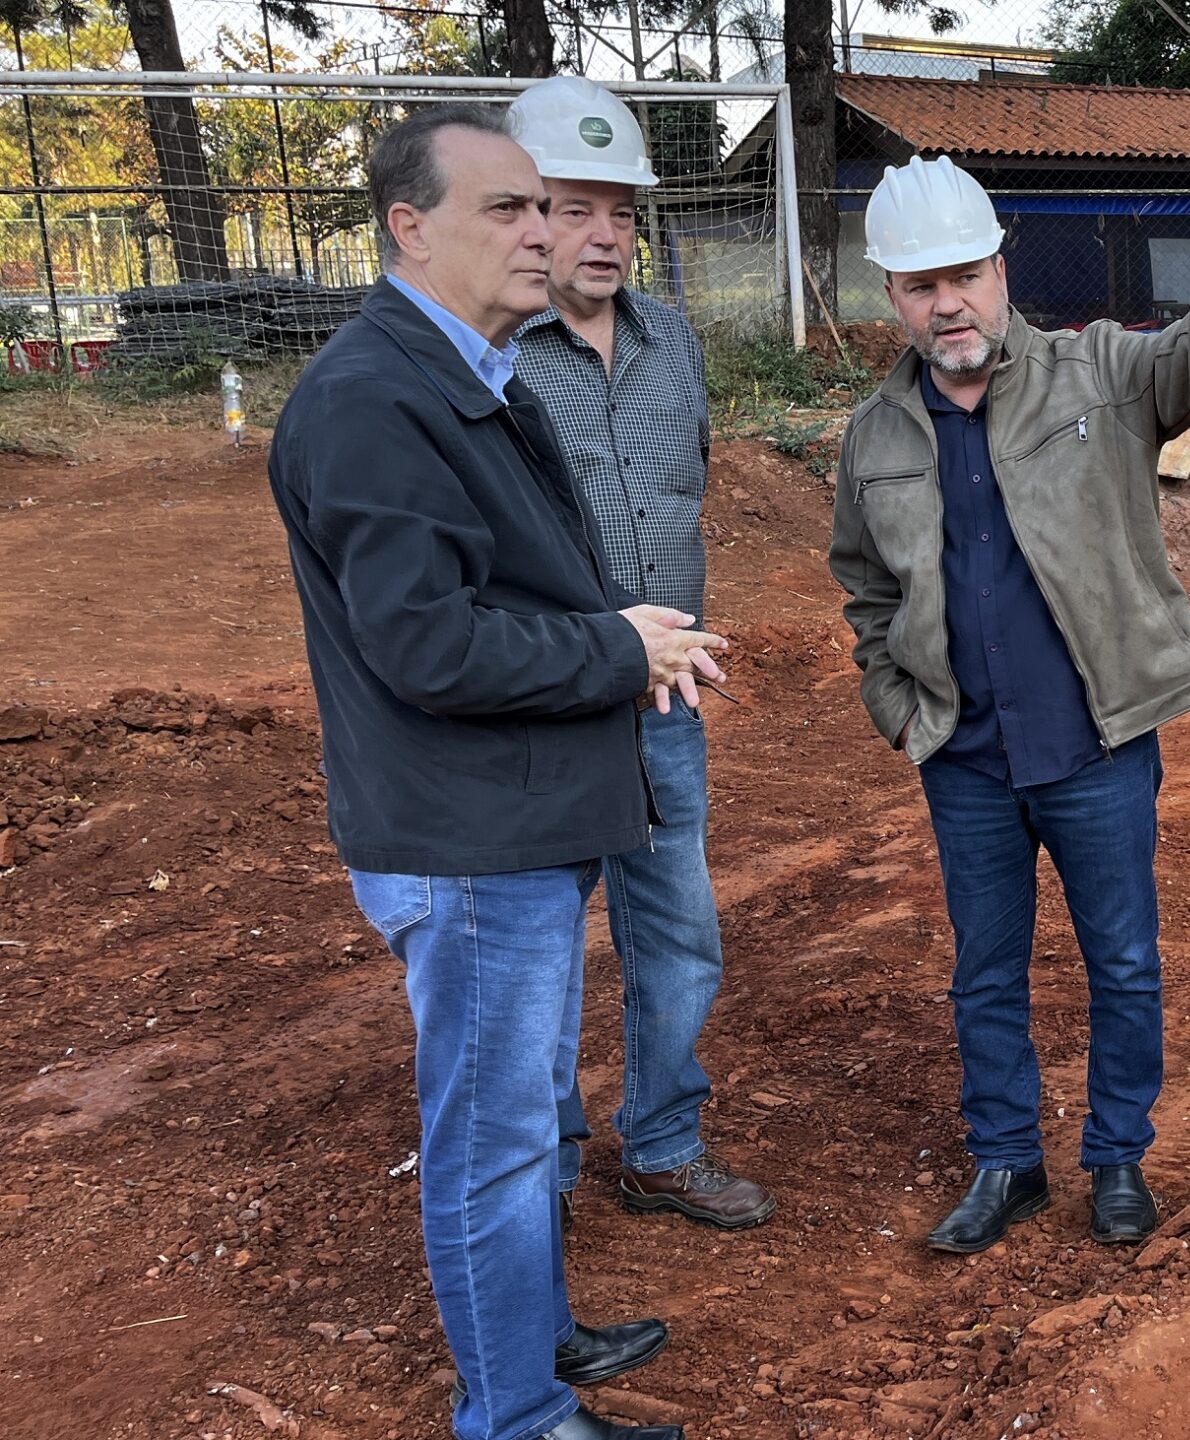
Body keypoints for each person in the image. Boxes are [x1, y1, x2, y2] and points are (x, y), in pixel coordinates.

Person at [267, 104, 727, 1440]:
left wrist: (613, 639)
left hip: (509, 817)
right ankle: (517, 1414)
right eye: (509, 209)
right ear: (409, 228)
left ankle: (529, 1336)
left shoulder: (459, 372)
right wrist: (616, 647)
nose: (543, 233)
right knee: (497, 1141)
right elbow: (429, 643)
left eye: (547, 207)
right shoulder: (374, 401)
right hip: (467, 839)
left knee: (521, 1121)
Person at [827, 156, 1190, 1254]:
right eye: (920, 285)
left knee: (1122, 960)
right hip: (965, 759)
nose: (948, 304)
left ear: (1001, 269)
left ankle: (1117, 1156)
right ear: (891, 295)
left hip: (1096, 747)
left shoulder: (1101, 372)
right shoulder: (874, 436)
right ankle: (1007, 1162)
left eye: (965, 276)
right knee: (983, 972)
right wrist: (898, 707)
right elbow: (866, 590)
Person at [507, 76, 775, 1233]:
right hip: (544, 705)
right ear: (525, 213)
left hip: (665, 703)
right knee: (538, 950)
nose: (604, 234)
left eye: (620, 211)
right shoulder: (490, 357)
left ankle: (662, 1145)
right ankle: (545, 1169)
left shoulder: (674, 345)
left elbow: (683, 491)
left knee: (676, 932)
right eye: (574, 209)